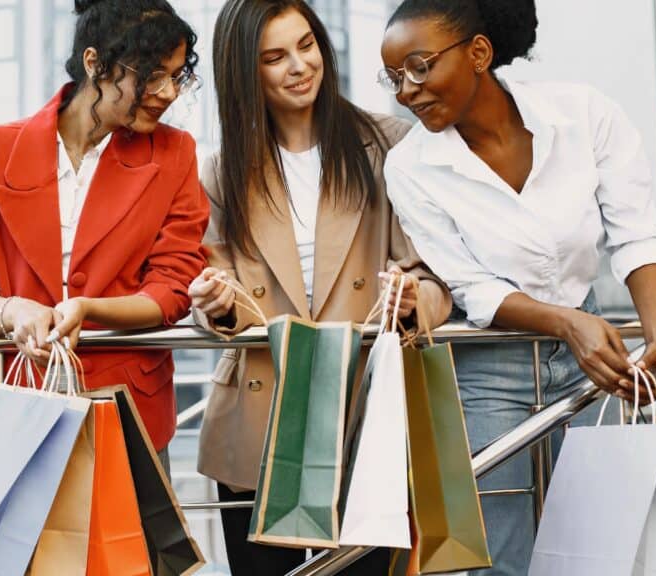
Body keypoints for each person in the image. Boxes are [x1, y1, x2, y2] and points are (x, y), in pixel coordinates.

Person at [379, 1, 656, 574]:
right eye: (394, 78)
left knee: (600, 552)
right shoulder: (409, 166)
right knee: (495, 558)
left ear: (479, 53)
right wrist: (568, 323)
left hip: (597, 359)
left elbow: (636, 232)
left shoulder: (583, 114)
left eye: (419, 67)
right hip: (488, 367)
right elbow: (471, 286)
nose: (406, 91)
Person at [187, 1, 451, 573]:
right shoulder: (220, 171)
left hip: (366, 412)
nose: (300, 66)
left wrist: (412, 300)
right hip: (261, 418)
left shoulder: (388, 145)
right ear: (244, 71)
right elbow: (217, 289)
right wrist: (215, 303)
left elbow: (434, 273)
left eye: (306, 45)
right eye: (275, 57)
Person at [0, 0, 209, 461]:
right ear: (94, 63)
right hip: (7, 413)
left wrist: (89, 308)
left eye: (177, 76)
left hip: (129, 416)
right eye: (153, 76)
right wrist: (12, 311)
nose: (169, 92)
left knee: (130, 537)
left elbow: (173, 288)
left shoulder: (175, 154)